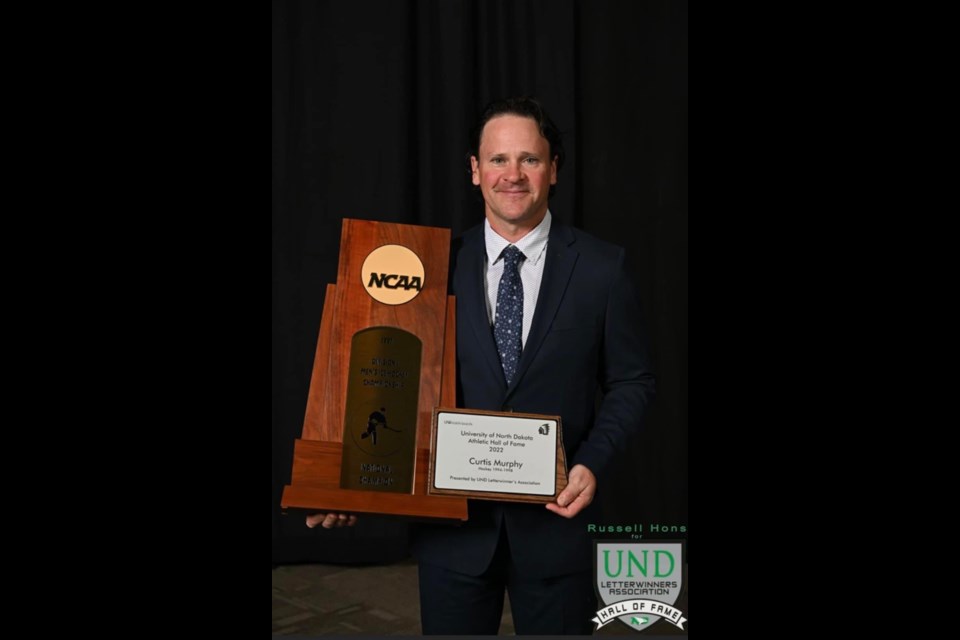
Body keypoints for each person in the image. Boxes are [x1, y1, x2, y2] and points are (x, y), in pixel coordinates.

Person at [308, 96, 655, 635]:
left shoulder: (603, 269)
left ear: (553, 168)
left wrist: (592, 462)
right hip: (454, 535)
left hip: (557, 531)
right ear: (475, 170)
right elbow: (385, 380)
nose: (511, 175)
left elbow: (632, 379)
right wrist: (347, 482)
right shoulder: (430, 268)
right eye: (497, 160)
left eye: (529, 160)